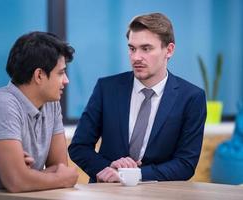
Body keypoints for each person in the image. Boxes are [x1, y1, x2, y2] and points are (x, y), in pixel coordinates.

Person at [68, 13, 207, 183]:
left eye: (146, 48)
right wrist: (108, 167)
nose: (136, 57)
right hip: (108, 193)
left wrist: (134, 175)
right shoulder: (107, 88)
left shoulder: (191, 98)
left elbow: (186, 164)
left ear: (169, 50)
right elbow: (79, 147)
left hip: (159, 195)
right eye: (132, 48)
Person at [0, 32, 78, 200]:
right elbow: (16, 181)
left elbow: (59, 167)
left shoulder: (51, 104)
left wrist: (28, 175)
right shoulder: (2, 104)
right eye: (60, 73)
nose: (66, 81)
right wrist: (54, 178)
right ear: (39, 75)